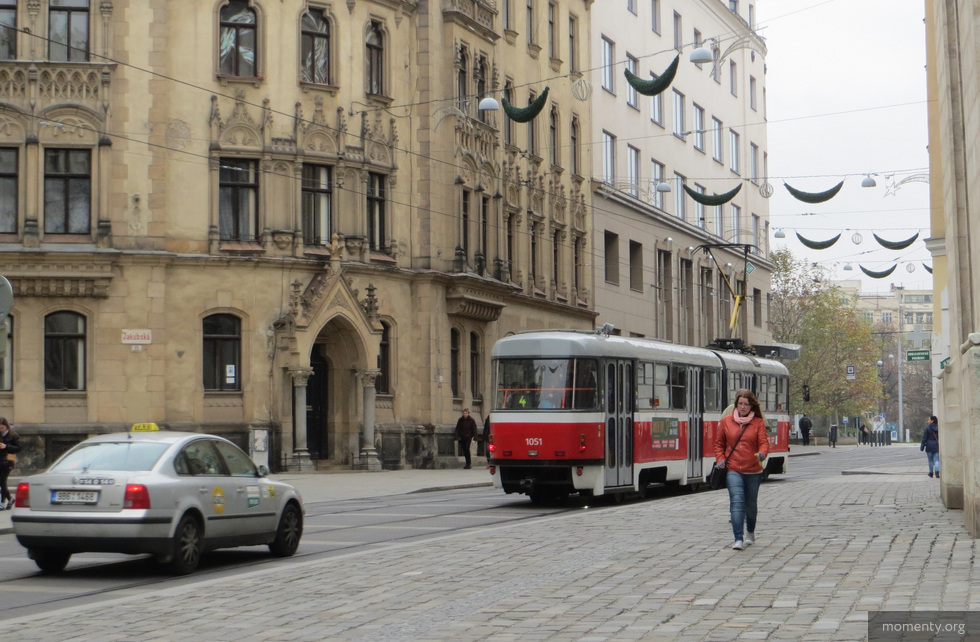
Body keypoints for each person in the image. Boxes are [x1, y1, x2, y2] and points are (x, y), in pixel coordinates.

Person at [714, 389, 770, 551]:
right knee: (737, 502)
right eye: (740, 404)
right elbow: (719, 444)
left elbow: (764, 443)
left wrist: (762, 454)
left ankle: (750, 532)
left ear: (751, 405)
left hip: (753, 470)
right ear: (736, 405)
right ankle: (738, 538)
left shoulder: (758, 422)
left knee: (750, 506)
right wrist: (720, 459)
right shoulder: (726, 421)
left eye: (746, 404)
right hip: (733, 469)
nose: (743, 407)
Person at [0, 417, 21, 510]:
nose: (1, 430)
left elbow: (19, 448)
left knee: (2, 480)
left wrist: (6, 446)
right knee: (2, 482)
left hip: (9, 460)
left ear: (7, 427)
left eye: (2, 428)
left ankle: (3, 502)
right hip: (0, 459)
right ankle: (9, 499)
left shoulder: (13, 435)